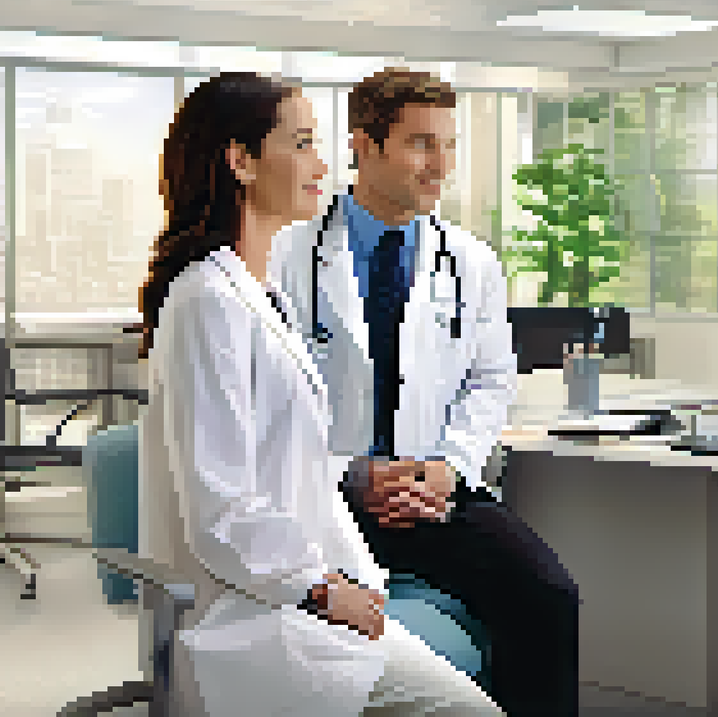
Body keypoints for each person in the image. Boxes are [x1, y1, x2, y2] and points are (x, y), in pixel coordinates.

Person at [137, 71, 504, 717]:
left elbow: (290, 457)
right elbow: (220, 507)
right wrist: (320, 589)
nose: (323, 163)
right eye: (302, 143)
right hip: (256, 616)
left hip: (300, 585)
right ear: (241, 161)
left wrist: (360, 521)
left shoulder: (254, 292)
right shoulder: (208, 302)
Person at [269, 67, 579, 717]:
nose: (441, 165)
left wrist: (447, 468)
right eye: (420, 144)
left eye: (449, 145)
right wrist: (352, 474)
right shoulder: (285, 256)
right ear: (364, 144)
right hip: (324, 498)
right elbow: (270, 403)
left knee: (549, 595)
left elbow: (491, 381)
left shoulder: (470, 260)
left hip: (432, 493)